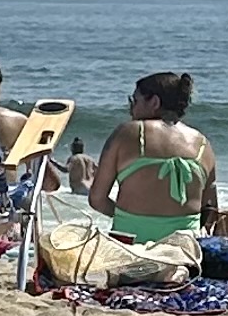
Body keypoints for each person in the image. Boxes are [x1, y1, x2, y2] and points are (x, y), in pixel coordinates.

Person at [90, 73, 219, 240]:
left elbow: (97, 199)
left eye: (135, 101)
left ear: (155, 102)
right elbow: (211, 209)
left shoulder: (129, 132)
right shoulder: (202, 143)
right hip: (185, 247)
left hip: (131, 243)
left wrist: (130, 218)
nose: (131, 108)